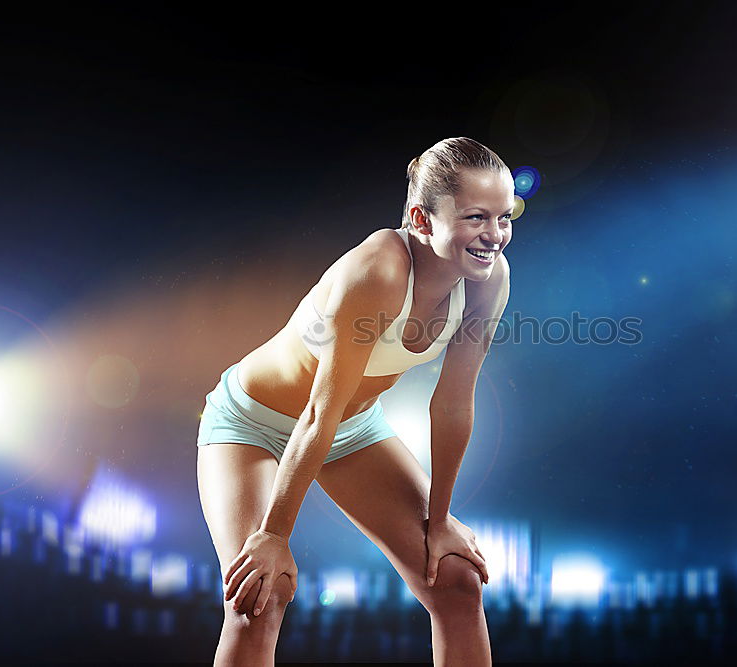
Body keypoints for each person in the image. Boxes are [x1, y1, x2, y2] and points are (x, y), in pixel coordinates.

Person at [196, 136, 512, 666]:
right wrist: (273, 534)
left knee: (456, 580)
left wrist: (439, 523)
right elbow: (318, 410)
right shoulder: (379, 270)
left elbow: (452, 406)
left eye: (505, 218)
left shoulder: (487, 282)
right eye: (477, 217)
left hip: (350, 428)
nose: (495, 236)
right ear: (423, 218)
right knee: (261, 596)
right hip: (251, 424)